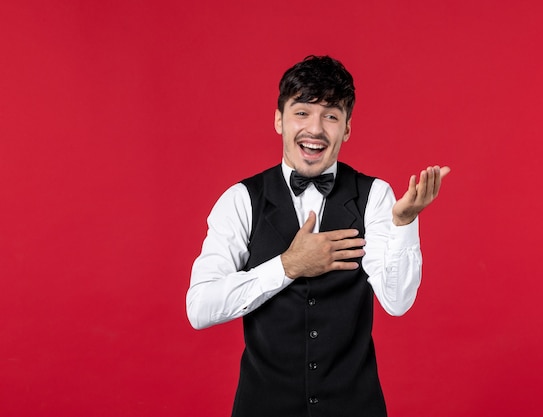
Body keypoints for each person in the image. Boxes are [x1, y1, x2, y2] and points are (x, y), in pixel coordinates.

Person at [186, 55, 450, 417]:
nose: (316, 128)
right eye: (302, 112)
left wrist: (404, 224)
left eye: (330, 115)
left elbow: (397, 302)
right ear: (279, 120)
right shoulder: (240, 200)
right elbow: (200, 308)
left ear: (347, 128)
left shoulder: (375, 195)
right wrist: (288, 265)